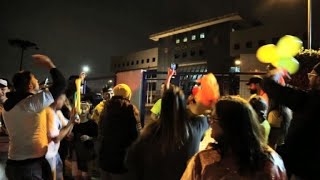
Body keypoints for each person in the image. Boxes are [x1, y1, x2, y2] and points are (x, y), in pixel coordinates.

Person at [181, 96, 287, 179]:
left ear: (229, 124)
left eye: (214, 118)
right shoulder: (272, 162)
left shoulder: (205, 162)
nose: (211, 123)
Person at [2, 54, 66, 180]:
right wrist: (49, 63)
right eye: (35, 79)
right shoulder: (31, 103)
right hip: (30, 167)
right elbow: (61, 83)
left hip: (13, 163)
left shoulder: (7, 106)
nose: (38, 81)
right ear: (30, 86)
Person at [126, 85, 209, 180]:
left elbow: (131, 161)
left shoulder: (149, 133)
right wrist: (194, 102)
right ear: (184, 105)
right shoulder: (196, 127)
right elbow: (203, 113)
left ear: (163, 106)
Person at [261, 63, 320, 179]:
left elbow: (268, 85)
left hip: (303, 166)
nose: (310, 78)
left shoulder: (307, 100)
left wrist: (277, 72)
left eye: (312, 75)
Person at [99, 83, 141, 180]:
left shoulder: (105, 108)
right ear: (128, 94)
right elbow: (137, 135)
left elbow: (100, 131)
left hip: (105, 157)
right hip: (123, 160)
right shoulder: (131, 109)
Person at [45, 94, 80, 180]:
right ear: (57, 99)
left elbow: (67, 132)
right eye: (63, 100)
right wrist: (71, 122)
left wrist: (72, 121)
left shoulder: (58, 112)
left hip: (55, 153)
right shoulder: (48, 113)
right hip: (48, 154)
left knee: (60, 177)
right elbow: (56, 138)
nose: (64, 102)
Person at [70, 101, 98, 180]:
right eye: (80, 108)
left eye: (85, 108)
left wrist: (89, 138)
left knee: (86, 175)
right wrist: (70, 136)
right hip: (76, 152)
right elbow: (70, 136)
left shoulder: (92, 124)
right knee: (76, 175)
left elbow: (97, 137)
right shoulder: (74, 123)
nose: (82, 110)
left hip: (87, 152)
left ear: (89, 109)